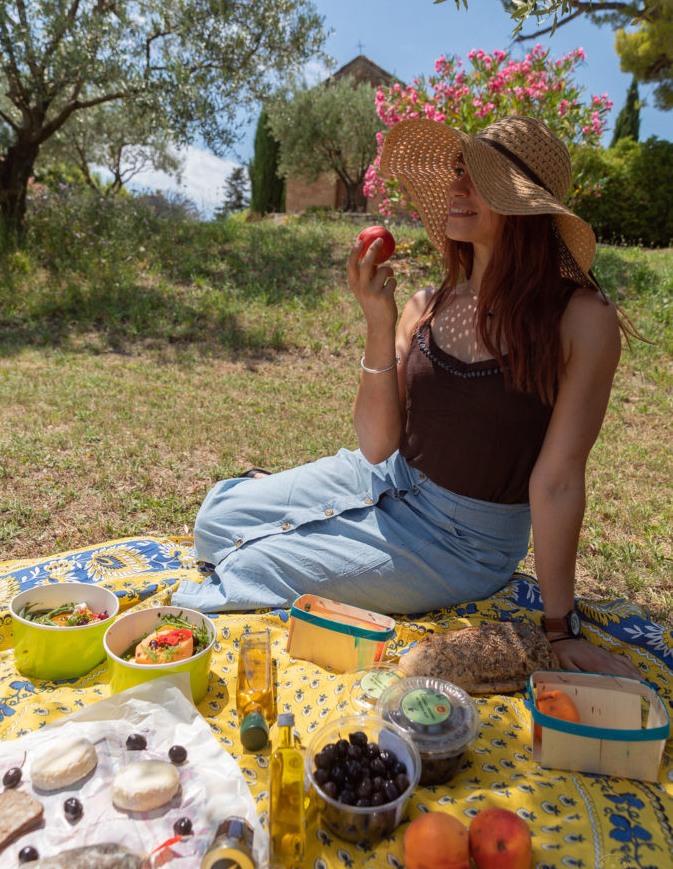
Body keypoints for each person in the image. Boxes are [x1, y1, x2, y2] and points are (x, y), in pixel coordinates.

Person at [173, 114, 640, 679]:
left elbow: (559, 479)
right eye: (458, 172)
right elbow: (376, 446)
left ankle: (309, 526)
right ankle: (302, 506)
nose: (456, 189)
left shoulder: (581, 319)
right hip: (383, 476)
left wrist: (558, 626)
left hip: (465, 541)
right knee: (215, 521)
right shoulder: (428, 304)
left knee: (249, 567)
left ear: (524, 207)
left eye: (480, 180)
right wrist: (379, 320)